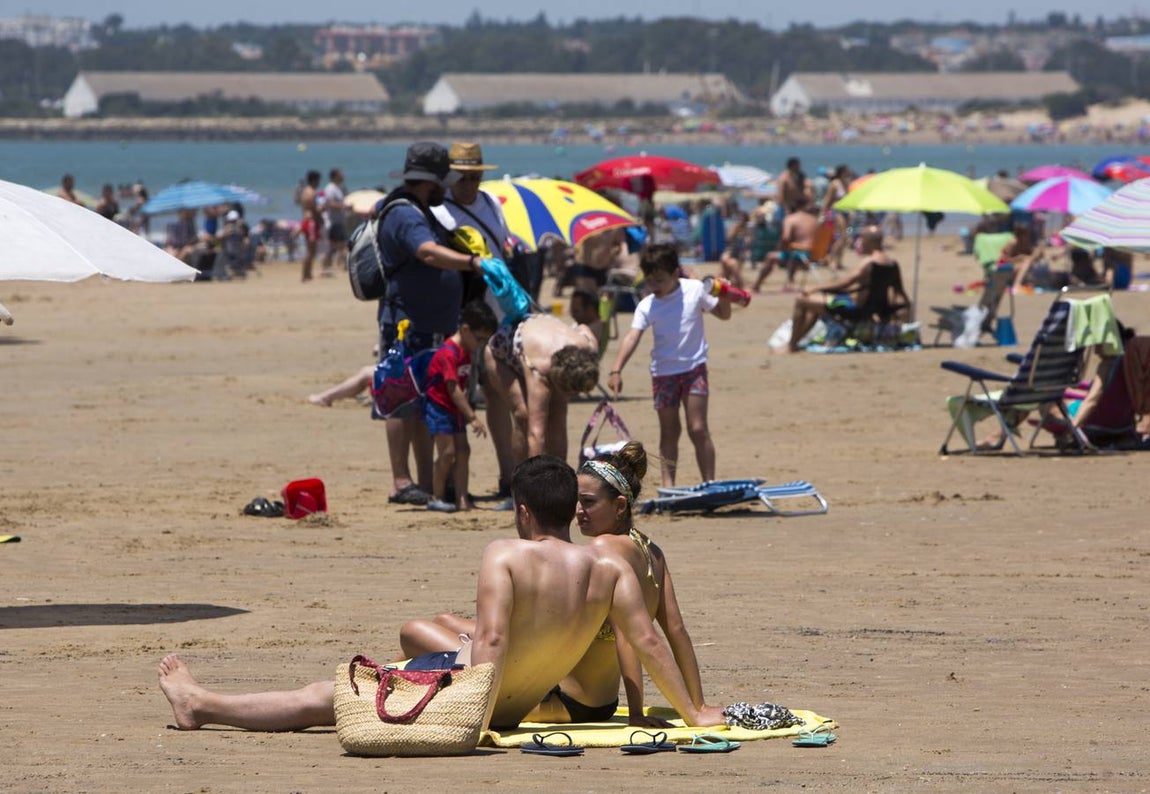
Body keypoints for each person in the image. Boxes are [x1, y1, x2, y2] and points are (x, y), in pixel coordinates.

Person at [157, 456, 727, 732]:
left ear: (523, 511)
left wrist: (462, 711)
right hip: (521, 702)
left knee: (328, 695)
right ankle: (204, 704)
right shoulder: (606, 570)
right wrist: (694, 714)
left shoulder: (505, 553)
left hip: (476, 698)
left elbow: (495, 638)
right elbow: (651, 639)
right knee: (402, 655)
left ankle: (200, 705)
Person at [400, 442, 712, 728]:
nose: (579, 512)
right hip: (587, 690)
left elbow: (628, 638)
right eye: (576, 502)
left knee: (415, 633)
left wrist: (636, 713)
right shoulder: (650, 551)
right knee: (446, 621)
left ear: (619, 507)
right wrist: (695, 707)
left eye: (588, 502)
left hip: (565, 696)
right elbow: (672, 632)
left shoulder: (604, 552)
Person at [377, 142, 482, 506]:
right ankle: (401, 481)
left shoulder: (420, 209)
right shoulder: (406, 214)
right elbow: (426, 252)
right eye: (444, 182)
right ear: (430, 182)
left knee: (424, 401)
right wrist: (472, 263)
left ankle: (424, 480)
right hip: (405, 323)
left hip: (427, 322)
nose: (448, 189)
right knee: (398, 397)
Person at [607, 244, 732, 486]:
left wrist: (724, 295)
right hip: (664, 375)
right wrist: (616, 369)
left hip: (694, 369)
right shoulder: (648, 304)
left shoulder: (695, 290)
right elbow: (632, 336)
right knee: (669, 432)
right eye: (650, 281)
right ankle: (668, 485)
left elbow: (724, 314)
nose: (655, 286)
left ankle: (710, 482)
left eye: (660, 280)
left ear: (676, 273)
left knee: (697, 428)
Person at [484, 313, 600, 470]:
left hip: (543, 340)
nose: (571, 396)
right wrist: (536, 483)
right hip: (502, 353)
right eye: (569, 391)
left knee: (558, 414)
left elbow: (583, 327)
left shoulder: (589, 347)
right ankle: (520, 481)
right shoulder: (539, 370)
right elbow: (536, 435)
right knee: (524, 416)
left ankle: (559, 478)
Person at [786, 225, 909, 353]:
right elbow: (899, 291)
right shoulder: (892, 263)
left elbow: (844, 283)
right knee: (813, 305)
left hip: (853, 309)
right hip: (872, 309)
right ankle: (797, 341)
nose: (859, 242)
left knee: (801, 300)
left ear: (870, 241)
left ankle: (791, 345)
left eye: (862, 239)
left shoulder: (869, 262)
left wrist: (815, 288)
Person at [424, 301, 497, 513]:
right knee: (447, 453)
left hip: (455, 409)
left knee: (463, 451)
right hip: (440, 407)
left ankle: (462, 497)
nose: (481, 343)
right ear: (465, 330)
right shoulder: (449, 352)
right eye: (480, 338)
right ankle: (436, 496)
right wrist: (472, 416)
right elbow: (453, 388)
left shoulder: (467, 351)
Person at [752, 195, 820, 292]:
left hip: (800, 254)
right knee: (791, 252)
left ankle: (756, 285)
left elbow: (785, 238)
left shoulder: (791, 218)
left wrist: (780, 248)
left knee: (771, 256)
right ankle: (790, 281)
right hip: (814, 254)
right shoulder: (813, 219)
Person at [819, 164, 853, 270]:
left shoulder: (846, 183)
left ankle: (839, 261)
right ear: (842, 172)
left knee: (844, 238)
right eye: (847, 171)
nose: (849, 172)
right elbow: (827, 199)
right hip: (837, 211)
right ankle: (831, 260)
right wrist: (822, 214)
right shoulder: (834, 184)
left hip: (846, 211)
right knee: (842, 237)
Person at [320, 168, 348, 276]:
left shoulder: (338, 188)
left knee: (338, 245)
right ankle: (327, 265)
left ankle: (330, 265)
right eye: (341, 174)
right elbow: (330, 203)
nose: (343, 176)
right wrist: (344, 206)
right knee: (338, 245)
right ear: (335, 176)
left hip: (339, 221)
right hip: (333, 222)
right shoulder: (330, 188)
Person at [298, 170, 322, 282]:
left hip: (308, 220)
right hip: (311, 221)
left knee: (311, 249)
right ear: (314, 180)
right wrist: (321, 212)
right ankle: (305, 274)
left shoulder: (305, 191)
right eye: (318, 180)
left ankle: (308, 273)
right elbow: (314, 208)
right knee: (310, 249)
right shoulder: (310, 192)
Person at [717, 211, 750, 289]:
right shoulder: (735, 227)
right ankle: (727, 283)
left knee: (731, 265)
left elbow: (747, 243)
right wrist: (736, 229)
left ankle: (740, 285)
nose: (741, 221)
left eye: (743, 219)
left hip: (739, 254)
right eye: (740, 219)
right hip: (731, 252)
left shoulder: (748, 229)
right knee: (724, 260)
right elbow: (729, 238)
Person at [569, 289, 607, 357]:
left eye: (576, 311)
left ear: (590, 309)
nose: (572, 315)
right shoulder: (580, 323)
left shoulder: (592, 330)